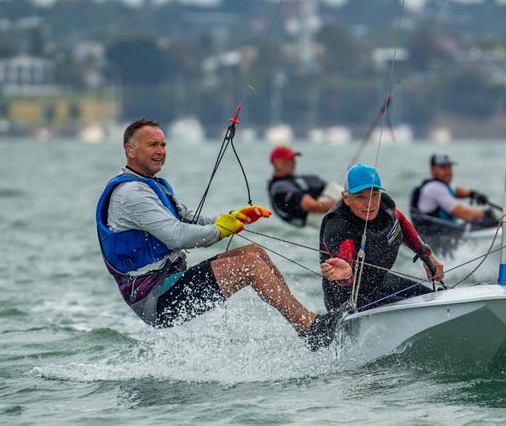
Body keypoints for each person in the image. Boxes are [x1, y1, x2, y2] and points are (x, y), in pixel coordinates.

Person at [96, 117, 340, 344]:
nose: (160, 151)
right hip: (155, 299)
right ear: (130, 150)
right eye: (152, 145)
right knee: (249, 265)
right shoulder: (131, 195)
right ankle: (309, 328)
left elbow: (191, 219)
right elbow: (177, 235)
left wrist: (233, 217)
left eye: (163, 144)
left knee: (255, 252)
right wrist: (221, 230)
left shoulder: (153, 186)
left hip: (168, 283)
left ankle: (306, 322)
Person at [318, 164, 445, 318]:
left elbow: (400, 222)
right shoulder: (338, 225)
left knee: (430, 298)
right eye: (360, 197)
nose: (370, 203)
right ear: (346, 197)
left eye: (374, 194)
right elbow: (344, 260)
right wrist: (346, 275)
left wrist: (426, 255)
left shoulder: (384, 206)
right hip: (348, 298)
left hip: (379, 282)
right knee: (414, 309)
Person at [410, 152, 497, 226]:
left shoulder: (442, 185)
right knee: (483, 222)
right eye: (443, 167)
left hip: (447, 232)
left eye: (449, 167)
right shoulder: (434, 188)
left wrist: (472, 194)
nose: (448, 172)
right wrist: (485, 214)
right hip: (437, 238)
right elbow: (462, 213)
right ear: (432, 170)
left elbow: (455, 190)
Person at [267, 145, 339, 227]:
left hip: (334, 204)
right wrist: (344, 204)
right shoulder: (280, 188)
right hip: (323, 213)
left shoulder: (293, 179)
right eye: (288, 160)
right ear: (277, 162)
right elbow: (311, 205)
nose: (294, 162)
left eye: (293, 159)